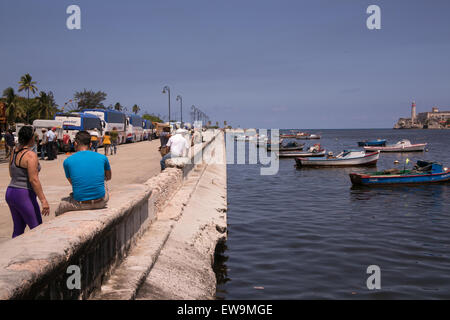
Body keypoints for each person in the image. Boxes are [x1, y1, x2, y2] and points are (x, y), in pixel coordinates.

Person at [5, 126, 50, 238]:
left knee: (18, 229)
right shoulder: (30, 155)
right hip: (23, 194)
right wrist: (43, 200)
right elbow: (33, 179)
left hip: (11, 192)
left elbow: (11, 173)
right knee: (37, 228)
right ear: (31, 139)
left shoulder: (14, 152)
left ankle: (13, 254)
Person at [55, 131, 111, 216]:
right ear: (90, 144)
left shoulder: (67, 161)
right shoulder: (103, 157)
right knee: (102, 178)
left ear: (75, 143)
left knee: (58, 210)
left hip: (80, 203)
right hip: (101, 201)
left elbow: (73, 183)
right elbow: (108, 177)